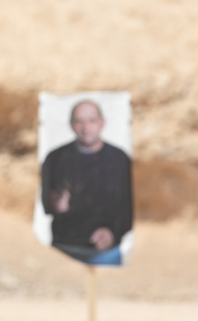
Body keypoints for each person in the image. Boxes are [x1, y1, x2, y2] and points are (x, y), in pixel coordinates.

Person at [40, 99, 133, 266]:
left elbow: (130, 207)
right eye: (79, 122)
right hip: (64, 250)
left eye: (91, 121)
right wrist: (55, 204)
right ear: (71, 125)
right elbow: (46, 204)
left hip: (107, 252)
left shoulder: (120, 159)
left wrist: (113, 233)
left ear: (102, 123)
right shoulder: (54, 158)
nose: (86, 128)